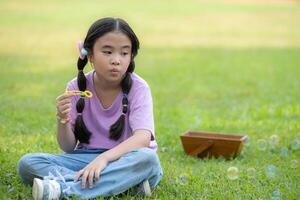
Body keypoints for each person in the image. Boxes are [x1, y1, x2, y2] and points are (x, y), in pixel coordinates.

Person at [17, 17, 163, 200]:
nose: (116, 60)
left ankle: (65, 189)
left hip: (126, 159)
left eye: (124, 53)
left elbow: (142, 139)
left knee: (148, 160)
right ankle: (124, 184)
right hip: (86, 158)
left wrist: (104, 160)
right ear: (90, 54)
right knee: (28, 163)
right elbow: (68, 147)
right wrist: (62, 120)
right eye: (108, 52)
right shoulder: (75, 86)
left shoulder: (138, 88)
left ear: (131, 56)